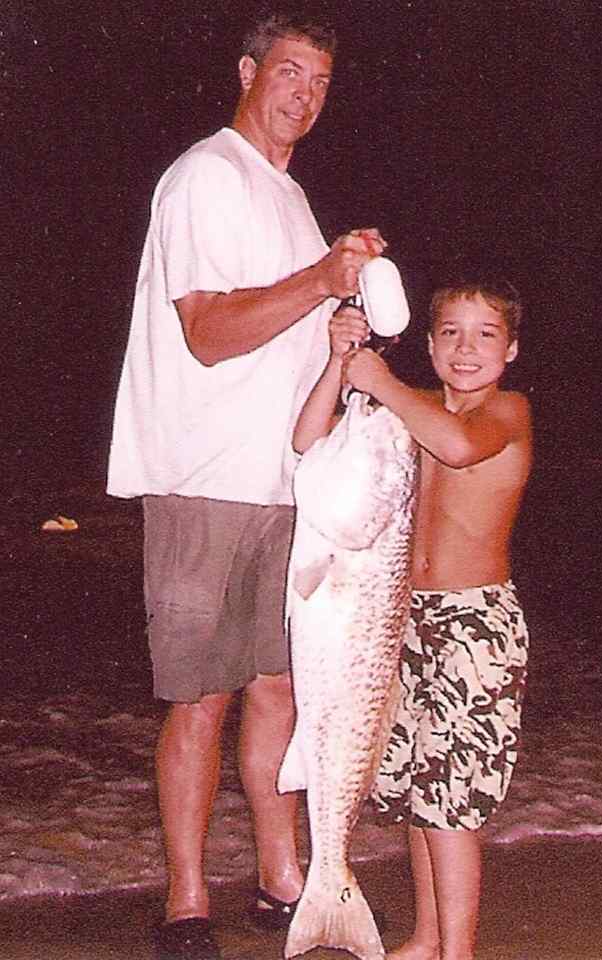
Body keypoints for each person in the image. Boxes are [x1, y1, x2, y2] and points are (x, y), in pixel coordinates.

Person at [107, 10, 386, 960]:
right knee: (201, 696)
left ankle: (280, 875)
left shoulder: (294, 200)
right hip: (203, 479)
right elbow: (210, 333)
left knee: (279, 688)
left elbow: (298, 337)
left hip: (288, 485)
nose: (304, 94)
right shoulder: (205, 176)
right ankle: (186, 898)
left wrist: (344, 337)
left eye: (321, 82)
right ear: (247, 70)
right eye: (291, 72)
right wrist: (317, 282)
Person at [293, 278, 532, 960]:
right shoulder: (415, 407)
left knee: (454, 803)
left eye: (486, 335)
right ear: (427, 345)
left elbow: (457, 447)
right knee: (418, 791)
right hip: (401, 618)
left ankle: (457, 953)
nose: (466, 348)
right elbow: (311, 438)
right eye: (450, 333)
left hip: (475, 625)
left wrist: (382, 383)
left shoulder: (506, 412)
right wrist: (342, 364)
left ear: (511, 350)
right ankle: (427, 939)